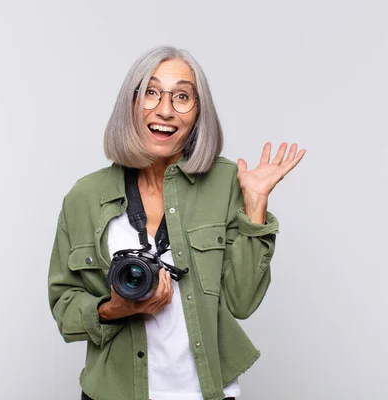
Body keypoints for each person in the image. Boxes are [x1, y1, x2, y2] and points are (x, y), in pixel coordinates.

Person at [47, 45, 306, 400]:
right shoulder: (86, 196)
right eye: (151, 92)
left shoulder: (229, 182)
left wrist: (255, 203)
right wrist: (114, 309)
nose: (165, 110)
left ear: (199, 112)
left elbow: (242, 302)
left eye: (182, 96)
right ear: (131, 103)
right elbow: (64, 306)